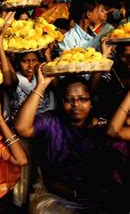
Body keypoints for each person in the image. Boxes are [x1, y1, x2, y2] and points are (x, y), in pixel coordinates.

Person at [14, 70, 126, 213]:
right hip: (56, 196)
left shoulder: (103, 128)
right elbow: (22, 127)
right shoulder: (52, 121)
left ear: (91, 102)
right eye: (69, 99)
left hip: (95, 198)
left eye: (83, 99)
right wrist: (41, 85)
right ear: (62, 102)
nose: (76, 104)